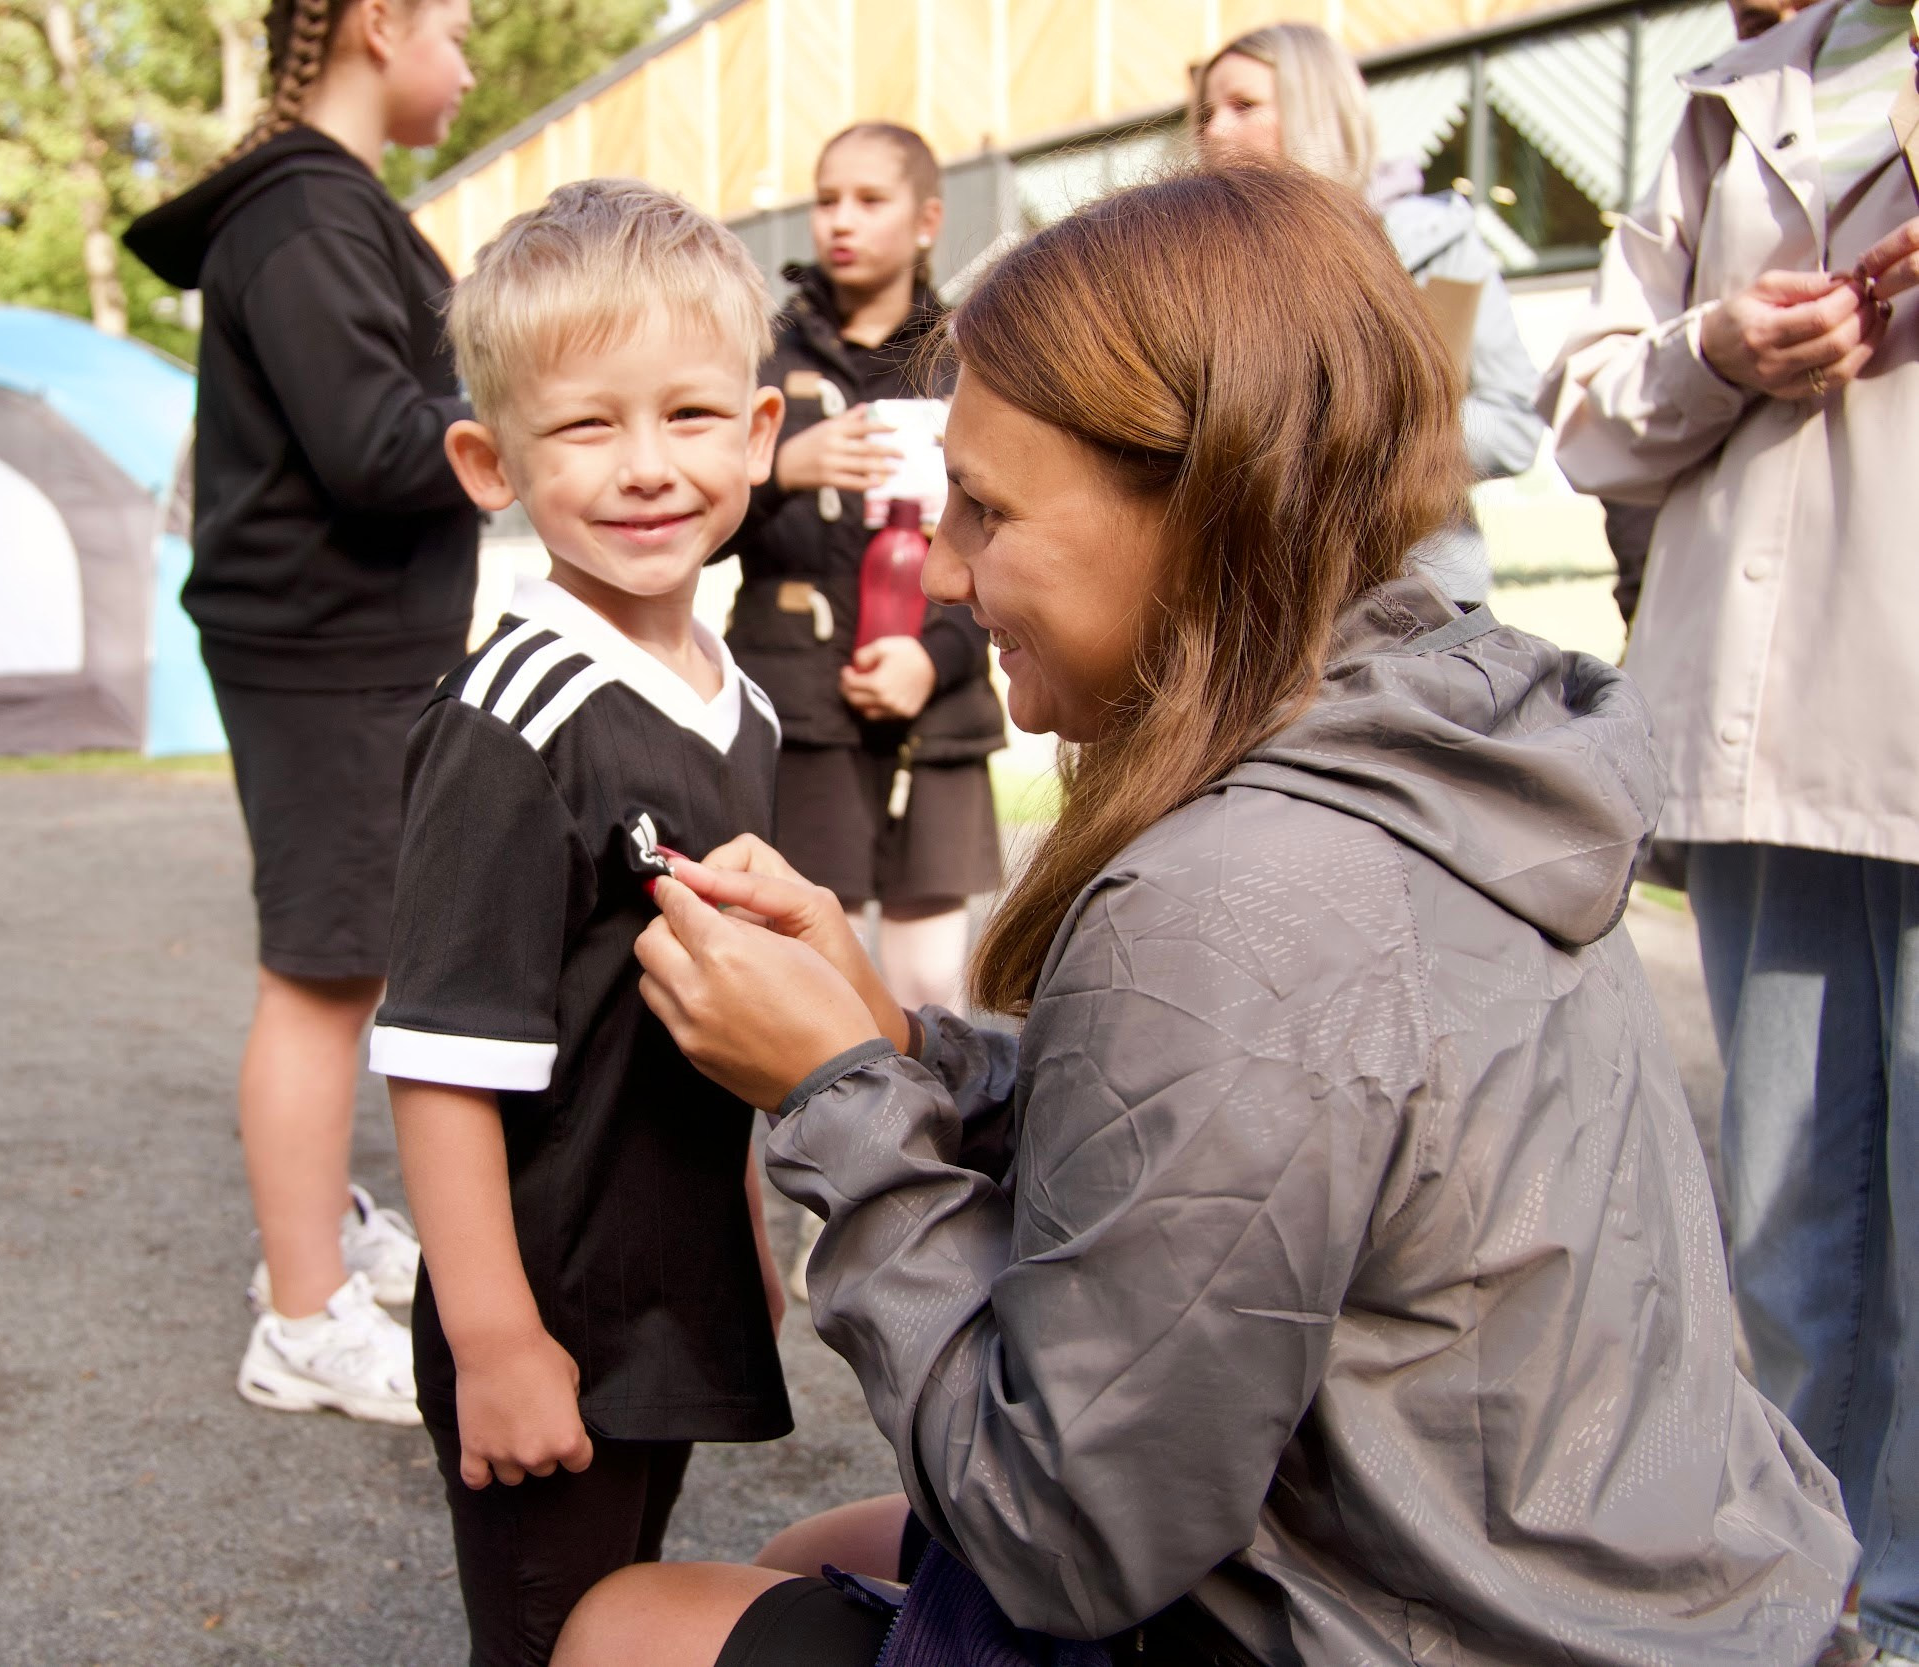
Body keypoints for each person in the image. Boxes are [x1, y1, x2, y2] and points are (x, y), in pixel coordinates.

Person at [554, 163, 1859, 1667]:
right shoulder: (1441, 752)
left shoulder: (1233, 899)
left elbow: (1070, 1531)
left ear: (1199, 498)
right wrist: (896, 1042)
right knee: (818, 1548)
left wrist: (835, 1105)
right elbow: (1235, 1152)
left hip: (1422, 1625)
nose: (952, 573)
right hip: (1644, 1608)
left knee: (623, 1625)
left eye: (985, 506)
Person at [371, 179, 793, 1667]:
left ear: (758, 432)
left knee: (629, 1606)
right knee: (558, 1639)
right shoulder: (514, 722)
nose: (644, 468)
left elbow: (699, 1001)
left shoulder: (735, 696)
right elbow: (438, 1058)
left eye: (687, 416)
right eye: (586, 426)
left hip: (666, 1285)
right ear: (493, 461)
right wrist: (492, 1337)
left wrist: (741, 1234)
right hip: (549, 1303)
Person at [1544, 2, 1919, 1658]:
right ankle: (1809, 1588)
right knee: (1779, 1209)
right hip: (1770, 731)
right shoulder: (1728, 99)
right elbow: (1585, 411)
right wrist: (1718, 349)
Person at [118, 0, 477, 1424]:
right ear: (380, 24)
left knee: (349, 959)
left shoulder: (317, 207)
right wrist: (543, 416)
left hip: (339, 644)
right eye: (456, 28)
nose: (466, 61)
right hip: (324, 649)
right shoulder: (311, 213)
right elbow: (379, 447)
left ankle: (320, 1234)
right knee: (323, 974)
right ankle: (303, 1311)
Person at [722, 122, 1005, 1017]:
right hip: (800, 701)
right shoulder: (761, 354)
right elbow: (691, 525)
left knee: (930, 987)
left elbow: (1005, 528)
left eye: (869, 199)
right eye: (826, 197)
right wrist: (783, 469)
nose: (840, 220)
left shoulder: (977, 356)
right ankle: (796, 1163)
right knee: (808, 976)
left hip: (942, 699)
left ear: (927, 219)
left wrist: (937, 653)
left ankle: (928, 1155)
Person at [1194, 22, 1544, 605]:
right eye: (1206, 113)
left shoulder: (1434, 246)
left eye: (1243, 106)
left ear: (1318, 111)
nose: (1214, 131)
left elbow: (1515, 426)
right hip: (1254, 611)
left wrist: (1374, 430)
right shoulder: (1198, 271)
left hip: (1412, 604)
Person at [1600, 0, 1815, 628]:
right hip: (1703, 606)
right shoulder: (1708, 126)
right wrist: (1708, 358)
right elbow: (1596, 403)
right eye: (1752, 23)